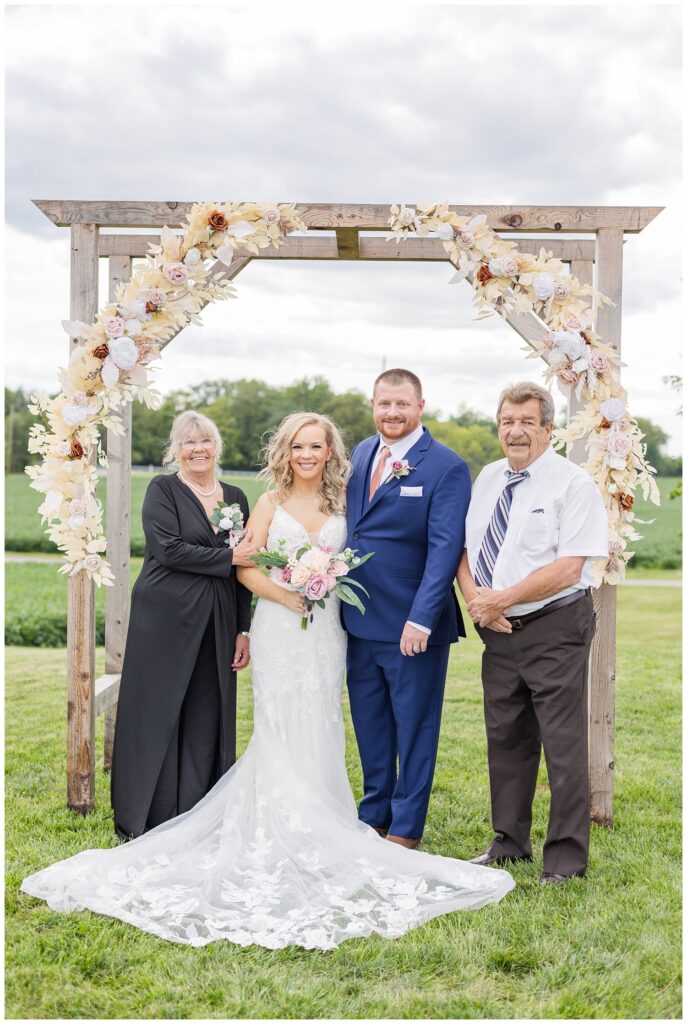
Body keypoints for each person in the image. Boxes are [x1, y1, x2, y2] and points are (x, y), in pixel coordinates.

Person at [21, 412, 513, 950]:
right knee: (279, 719)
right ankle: (277, 816)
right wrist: (287, 593)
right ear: (286, 451)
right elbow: (246, 565)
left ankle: (327, 812)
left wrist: (328, 583)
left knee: (323, 714)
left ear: (330, 452)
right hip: (281, 623)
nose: (306, 455)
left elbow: (368, 553)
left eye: (316, 446)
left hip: (326, 627)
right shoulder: (268, 501)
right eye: (298, 446)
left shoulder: (346, 502)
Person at [456, 382, 608, 884]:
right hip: (497, 630)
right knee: (506, 739)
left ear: (548, 428)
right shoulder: (487, 478)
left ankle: (564, 860)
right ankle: (508, 843)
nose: (515, 431)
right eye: (507, 421)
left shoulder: (572, 485)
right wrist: (478, 600)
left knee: (563, 744)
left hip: (554, 625)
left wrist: (501, 598)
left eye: (526, 421)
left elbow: (569, 567)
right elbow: (465, 549)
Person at [110, 411, 257, 840]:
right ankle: (148, 810)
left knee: (207, 707)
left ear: (217, 447)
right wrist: (229, 557)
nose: (198, 449)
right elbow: (168, 549)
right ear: (175, 448)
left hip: (219, 614)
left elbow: (243, 571)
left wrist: (243, 628)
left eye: (206, 441)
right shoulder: (163, 490)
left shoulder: (236, 497)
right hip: (165, 615)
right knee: (159, 707)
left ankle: (200, 806)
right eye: (188, 442)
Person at [342, 369, 472, 848]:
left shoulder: (445, 466)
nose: (392, 413)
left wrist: (421, 617)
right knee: (371, 724)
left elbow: (444, 548)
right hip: (357, 618)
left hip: (413, 625)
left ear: (420, 406)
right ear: (372, 405)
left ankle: (405, 828)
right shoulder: (360, 452)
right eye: (383, 404)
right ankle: (373, 813)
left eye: (401, 404)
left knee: (415, 728)